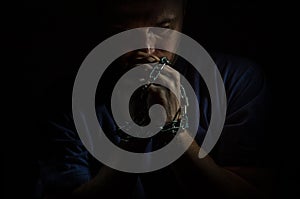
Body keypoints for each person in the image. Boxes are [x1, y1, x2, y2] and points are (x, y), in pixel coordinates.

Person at [38, 0, 272, 198]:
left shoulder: (235, 80)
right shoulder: (69, 101)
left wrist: (174, 130)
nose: (147, 49)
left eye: (162, 29)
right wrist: (137, 133)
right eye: (124, 32)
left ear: (182, 19)